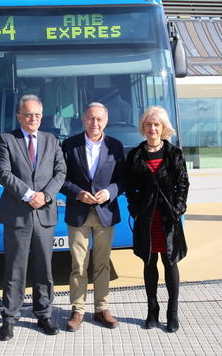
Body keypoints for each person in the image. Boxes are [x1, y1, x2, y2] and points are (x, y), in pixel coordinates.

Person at [0, 94, 66, 341]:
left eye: (37, 115)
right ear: (19, 116)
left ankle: (44, 314)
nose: (33, 118)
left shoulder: (51, 140)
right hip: (18, 214)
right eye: (28, 114)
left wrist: (44, 196)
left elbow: (61, 172)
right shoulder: (7, 140)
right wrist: (28, 194)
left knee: (44, 268)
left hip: (44, 213)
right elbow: (3, 173)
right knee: (15, 269)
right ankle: (9, 317)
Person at [124, 106, 189, 333]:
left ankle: (173, 312)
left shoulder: (174, 154)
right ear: (144, 127)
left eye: (157, 125)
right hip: (146, 220)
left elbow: (183, 185)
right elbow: (129, 188)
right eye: (149, 124)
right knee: (149, 263)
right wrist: (136, 210)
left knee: (170, 263)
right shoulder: (135, 155)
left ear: (163, 128)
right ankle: (152, 310)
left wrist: (178, 209)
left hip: (168, 219)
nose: (152, 128)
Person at [60, 102, 125, 331]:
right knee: (78, 264)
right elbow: (61, 179)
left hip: (105, 213)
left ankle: (101, 308)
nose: (94, 123)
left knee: (102, 263)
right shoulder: (69, 145)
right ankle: (77, 310)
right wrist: (78, 194)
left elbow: (122, 179)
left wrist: (108, 192)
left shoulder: (115, 146)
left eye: (99, 119)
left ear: (105, 120)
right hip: (78, 213)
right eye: (90, 118)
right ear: (83, 119)